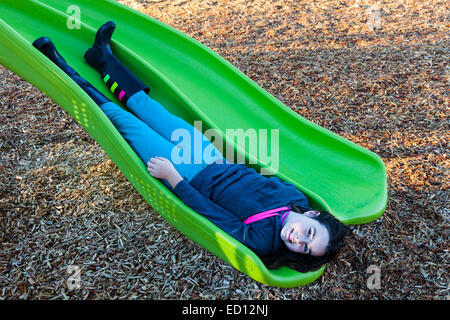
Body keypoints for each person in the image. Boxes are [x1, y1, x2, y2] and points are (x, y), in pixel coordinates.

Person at [32, 21, 348, 273]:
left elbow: (209, 213)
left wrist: (174, 179)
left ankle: (58, 66)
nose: (298, 240)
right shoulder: (296, 198)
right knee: (149, 107)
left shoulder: (263, 241)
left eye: (304, 249)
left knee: (122, 121)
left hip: (188, 174)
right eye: (309, 233)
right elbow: (260, 176)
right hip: (211, 157)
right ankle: (102, 59)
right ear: (311, 214)